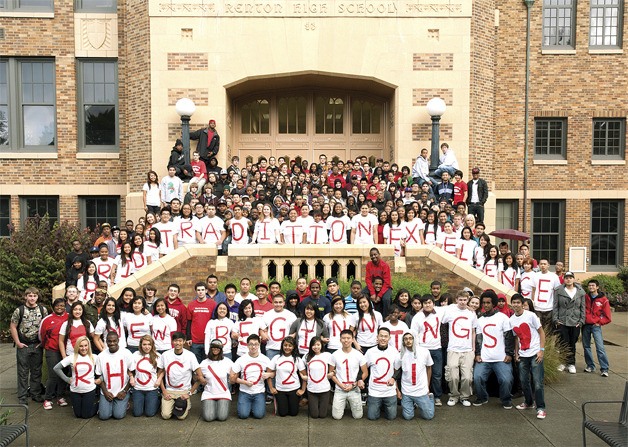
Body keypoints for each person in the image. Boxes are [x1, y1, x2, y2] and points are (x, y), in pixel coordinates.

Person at [473, 290, 514, 409]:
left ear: (494, 303)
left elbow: (509, 337)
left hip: (501, 358)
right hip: (485, 358)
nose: (485, 305)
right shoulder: (480, 320)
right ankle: (482, 397)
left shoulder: (503, 318)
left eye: (488, 303)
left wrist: (509, 353)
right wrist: (477, 353)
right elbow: (478, 339)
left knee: (506, 379)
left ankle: (506, 399)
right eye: (484, 303)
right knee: (477, 377)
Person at [510, 294, 547, 419]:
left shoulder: (531, 316)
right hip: (523, 354)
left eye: (518, 303)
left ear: (522, 303)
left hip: (535, 353)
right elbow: (516, 338)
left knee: (537, 382)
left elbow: (541, 332)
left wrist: (541, 350)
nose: (516, 305)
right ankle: (528, 402)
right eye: (513, 303)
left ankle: (541, 408)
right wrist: (516, 353)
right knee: (523, 380)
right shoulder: (511, 320)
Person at [10, 287, 48, 405]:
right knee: (23, 371)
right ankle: (22, 395)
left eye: (34, 296)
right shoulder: (19, 310)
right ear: (26, 297)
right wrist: (18, 342)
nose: (32, 298)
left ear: (37, 297)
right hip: (24, 345)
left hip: (37, 345)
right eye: (30, 296)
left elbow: (46, 327)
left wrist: (43, 342)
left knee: (36, 370)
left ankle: (35, 393)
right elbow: (13, 326)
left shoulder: (43, 310)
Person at [441, 290, 476, 407]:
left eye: (465, 300)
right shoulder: (450, 311)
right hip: (453, 349)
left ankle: (464, 396)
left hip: (467, 349)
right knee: (453, 375)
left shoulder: (471, 314)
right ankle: (453, 395)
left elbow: (473, 331)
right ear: (456, 300)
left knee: (466, 376)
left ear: (468, 301)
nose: (462, 302)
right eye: (460, 300)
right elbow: (441, 316)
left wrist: (473, 348)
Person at [159, 332, 205, 420]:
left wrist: (190, 392)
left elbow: (200, 376)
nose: (177, 343)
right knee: (166, 415)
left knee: (181, 417)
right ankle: (170, 404)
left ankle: (186, 403)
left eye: (180, 341)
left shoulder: (190, 356)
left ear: (184, 342)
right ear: (172, 341)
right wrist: (164, 391)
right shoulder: (165, 355)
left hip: (183, 391)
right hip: (169, 390)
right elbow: (159, 373)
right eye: (175, 341)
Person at [411, 295, 445, 406]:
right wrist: (415, 350)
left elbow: (454, 307)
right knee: (421, 374)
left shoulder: (439, 312)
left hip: (436, 348)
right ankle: (420, 395)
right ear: (422, 305)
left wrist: (469, 307)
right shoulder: (418, 317)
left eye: (429, 302)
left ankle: (437, 396)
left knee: (437, 374)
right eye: (425, 303)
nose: (427, 305)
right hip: (422, 349)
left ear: (433, 303)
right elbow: (413, 334)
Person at [53, 336, 98, 419]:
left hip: (89, 390)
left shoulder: (94, 357)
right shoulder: (72, 357)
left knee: (86, 415)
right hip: (75, 390)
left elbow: (103, 370)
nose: (84, 348)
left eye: (85, 345)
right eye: (81, 346)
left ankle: (99, 405)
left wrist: (100, 379)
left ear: (89, 346)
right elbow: (56, 368)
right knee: (78, 415)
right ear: (77, 346)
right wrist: (67, 379)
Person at [95, 331, 135, 420]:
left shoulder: (126, 353)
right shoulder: (101, 356)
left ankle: (124, 403)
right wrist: (105, 392)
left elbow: (132, 372)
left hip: (121, 390)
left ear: (118, 340)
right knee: (104, 416)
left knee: (118, 415)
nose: (112, 343)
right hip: (107, 391)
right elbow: (98, 376)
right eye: (109, 341)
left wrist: (125, 391)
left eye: (114, 341)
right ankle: (103, 404)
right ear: (106, 341)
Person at [230, 334, 272, 419]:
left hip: (259, 392)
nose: (253, 347)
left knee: (259, 415)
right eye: (251, 344)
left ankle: (254, 406)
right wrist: (244, 382)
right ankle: (248, 406)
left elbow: (274, 373)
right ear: (247, 345)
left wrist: (269, 374)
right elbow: (231, 378)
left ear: (259, 345)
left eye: (256, 344)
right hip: (245, 392)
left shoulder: (265, 359)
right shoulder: (241, 359)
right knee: (243, 415)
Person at [364, 327, 401, 420]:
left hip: (389, 391)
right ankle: (378, 405)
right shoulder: (370, 352)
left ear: (389, 338)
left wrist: (393, 378)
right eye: (381, 336)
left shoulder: (394, 351)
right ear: (377, 337)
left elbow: (399, 368)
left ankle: (383, 406)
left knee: (391, 417)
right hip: (375, 391)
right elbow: (363, 368)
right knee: (372, 417)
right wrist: (361, 380)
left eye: (386, 336)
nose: (383, 338)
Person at [397, 331, 435, 421]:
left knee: (428, 416)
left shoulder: (424, 352)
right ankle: (411, 404)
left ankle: (430, 398)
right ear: (403, 341)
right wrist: (398, 390)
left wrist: (427, 386)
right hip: (407, 391)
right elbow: (395, 373)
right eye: (405, 339)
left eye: (410, 338)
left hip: (421, 390)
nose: (408, 341)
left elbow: (429, 368)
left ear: (414, 339)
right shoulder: (399, 356)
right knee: (408, 417)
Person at [553, 271, 585, 374]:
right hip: (562, 321)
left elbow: (583, 308)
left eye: (570, 277)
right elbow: (555, 306)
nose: (568, 279)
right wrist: (556, 319)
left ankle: (571, 363)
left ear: (573, 279)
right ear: (564, 279)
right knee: (563, 342)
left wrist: (581, 321)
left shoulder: (580, 291)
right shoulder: (559, 290)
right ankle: (563, 362)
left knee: (572, 343)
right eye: (566, 277)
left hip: (575, 321)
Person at [331, 329, 368, 420]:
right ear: (340, 339)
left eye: (348, 338)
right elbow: (331, 374)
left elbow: (365, 372)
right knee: (336, 417)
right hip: (340, 388)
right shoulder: (335, 355)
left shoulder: (358, 355)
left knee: (358, 416)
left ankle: (350, 402)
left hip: (354, 388)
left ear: (352, 339)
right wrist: (341, 385)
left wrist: (354, 385)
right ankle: (344, 402)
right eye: (343, 338)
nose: (346, 340)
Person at [38, 298, 68, 410]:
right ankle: (48, 398)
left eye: (62, 306)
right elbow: (42, 335)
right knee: (53, 374)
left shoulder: (69, 317)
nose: (59, 308)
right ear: (53, 306)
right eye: (57, 306)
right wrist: (46, 345)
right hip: (52, 350)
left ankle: (60, 396)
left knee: (64, 373)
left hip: (65, 350)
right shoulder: (47, 319)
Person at [266, 337, 305, 417]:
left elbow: (304, 376)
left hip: (294, 389)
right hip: (280, 390)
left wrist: (303, 389)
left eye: (290, 345)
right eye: (285, 345)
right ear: (282, 346)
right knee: (283, 413)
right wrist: (271, 388)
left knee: (293, 413)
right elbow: (268, 373)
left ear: (294, 347)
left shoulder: (297, 359)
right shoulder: (276, 358)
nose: (287, 347)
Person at [582, 279, 611, 377]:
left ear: (597, 287)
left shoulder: (603, 299)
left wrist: (600, 323)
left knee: (600, 347)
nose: (591, 287)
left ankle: (604, 368)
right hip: (586, 325)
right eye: (589, 285)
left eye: (593, 285)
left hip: (596, 326)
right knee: (586, 346)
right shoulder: (585, 297)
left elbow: (608, 316)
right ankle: (590, 365)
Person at [199, 339, 234, 422]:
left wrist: (232, 379)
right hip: (209, 393)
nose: (215, 349)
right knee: (209, 417)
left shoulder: (227, 361)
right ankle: (212, 406)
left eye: (218, 348)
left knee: (222, 417)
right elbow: (196, 375)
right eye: (213, 347)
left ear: (221, 349)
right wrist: (200, 378)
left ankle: (218, 406)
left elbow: (236, 372)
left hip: (223, 393)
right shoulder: (204, 362)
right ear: (210, 348)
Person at [300, 336, 334, 419]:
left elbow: (333, 368)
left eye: (318, 344)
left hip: (324, 388)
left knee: (322, 415)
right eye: (314, 345)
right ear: (311, 346)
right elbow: (301, 369)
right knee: (314, 415)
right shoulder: (306, 356)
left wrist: (332, 373)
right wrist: (303, 376)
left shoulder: (327, 355)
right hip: (312, 389)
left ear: (322, 345)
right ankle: (312, 404)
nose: (316, 347)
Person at [131, 335, 161, 417]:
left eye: (149, 344)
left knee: (149, 413)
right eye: (144, 344)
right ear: (140, 345)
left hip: (151, 389)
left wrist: (159, 379)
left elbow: (162, 370)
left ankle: (157, 401)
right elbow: (129, 369)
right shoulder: (135, 355)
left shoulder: (157, 355)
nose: (147, 347)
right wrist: (131, 377)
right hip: (138, 388)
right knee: (137, 413)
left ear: (152, 345)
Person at [187, 281, 217, 362]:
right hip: (195, 341)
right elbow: (189, 322)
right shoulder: (191, 305)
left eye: (202, 290)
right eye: (198, 290)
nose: (200, 292)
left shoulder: (213, 304)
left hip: (208, 340)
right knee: (195, 365)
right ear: (196, 291)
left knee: (208, 364)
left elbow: (215, 322)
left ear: (206, 291)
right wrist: (189, 337)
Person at [262, 294, 297, 360]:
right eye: (276, 302)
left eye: (280, 302)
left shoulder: (291, 315)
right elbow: (261, 327)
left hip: (287, 349)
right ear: (272, 303)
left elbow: (297, 329)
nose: (278, 304)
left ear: (284, 303)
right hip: (271, 348)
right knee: (270, 369)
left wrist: (292, 336)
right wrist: (263, 333)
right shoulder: (267, 315)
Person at [364, 247, 393, 318]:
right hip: (373, 286)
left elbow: (387, 282)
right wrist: (373, 293)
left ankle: (385, 318)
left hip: (384, 287)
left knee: (386, 299)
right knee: (363, 294)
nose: (373, 256)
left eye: (375, 254)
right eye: (371, 255)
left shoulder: (385, 266)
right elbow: (368, 280)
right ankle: (365, 315)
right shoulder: (369, 265)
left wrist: (379, 295)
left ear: (379, 254)